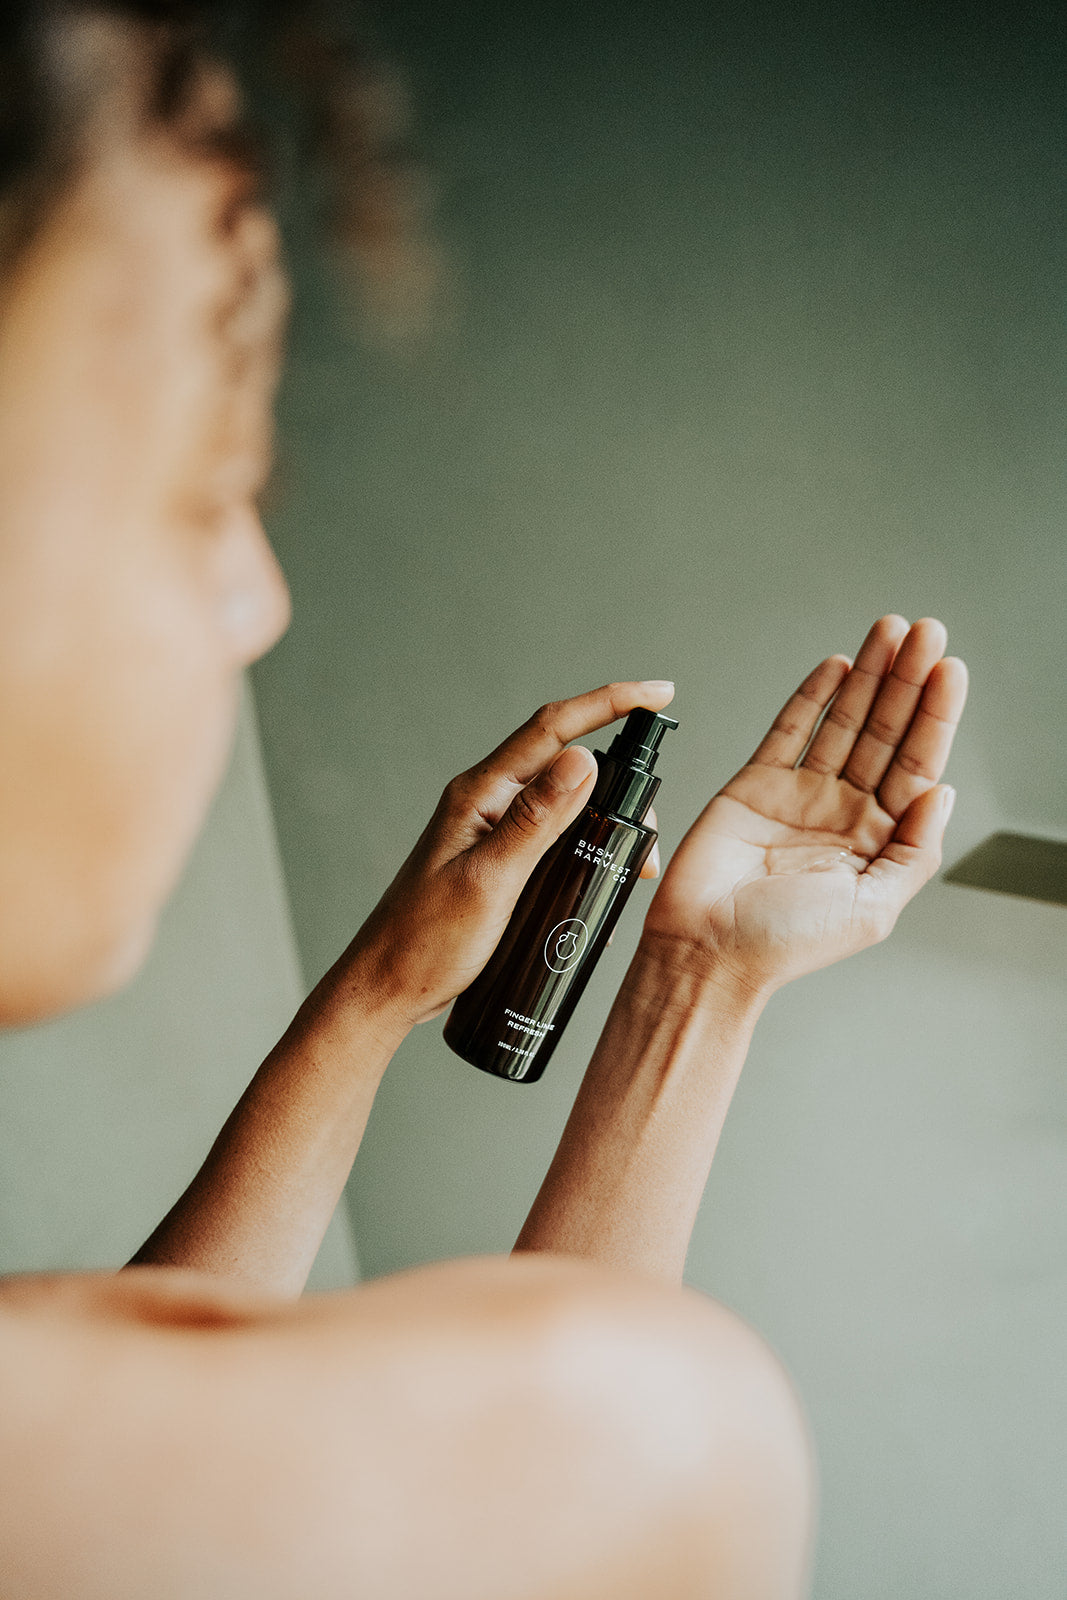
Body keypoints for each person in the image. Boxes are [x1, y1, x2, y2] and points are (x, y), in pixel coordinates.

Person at [0, 6, 968, 1597]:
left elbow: (176, 1429)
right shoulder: (672, 1433)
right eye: (201, 473)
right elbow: (582, 1477)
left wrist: (659, 970)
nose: (257, 600)